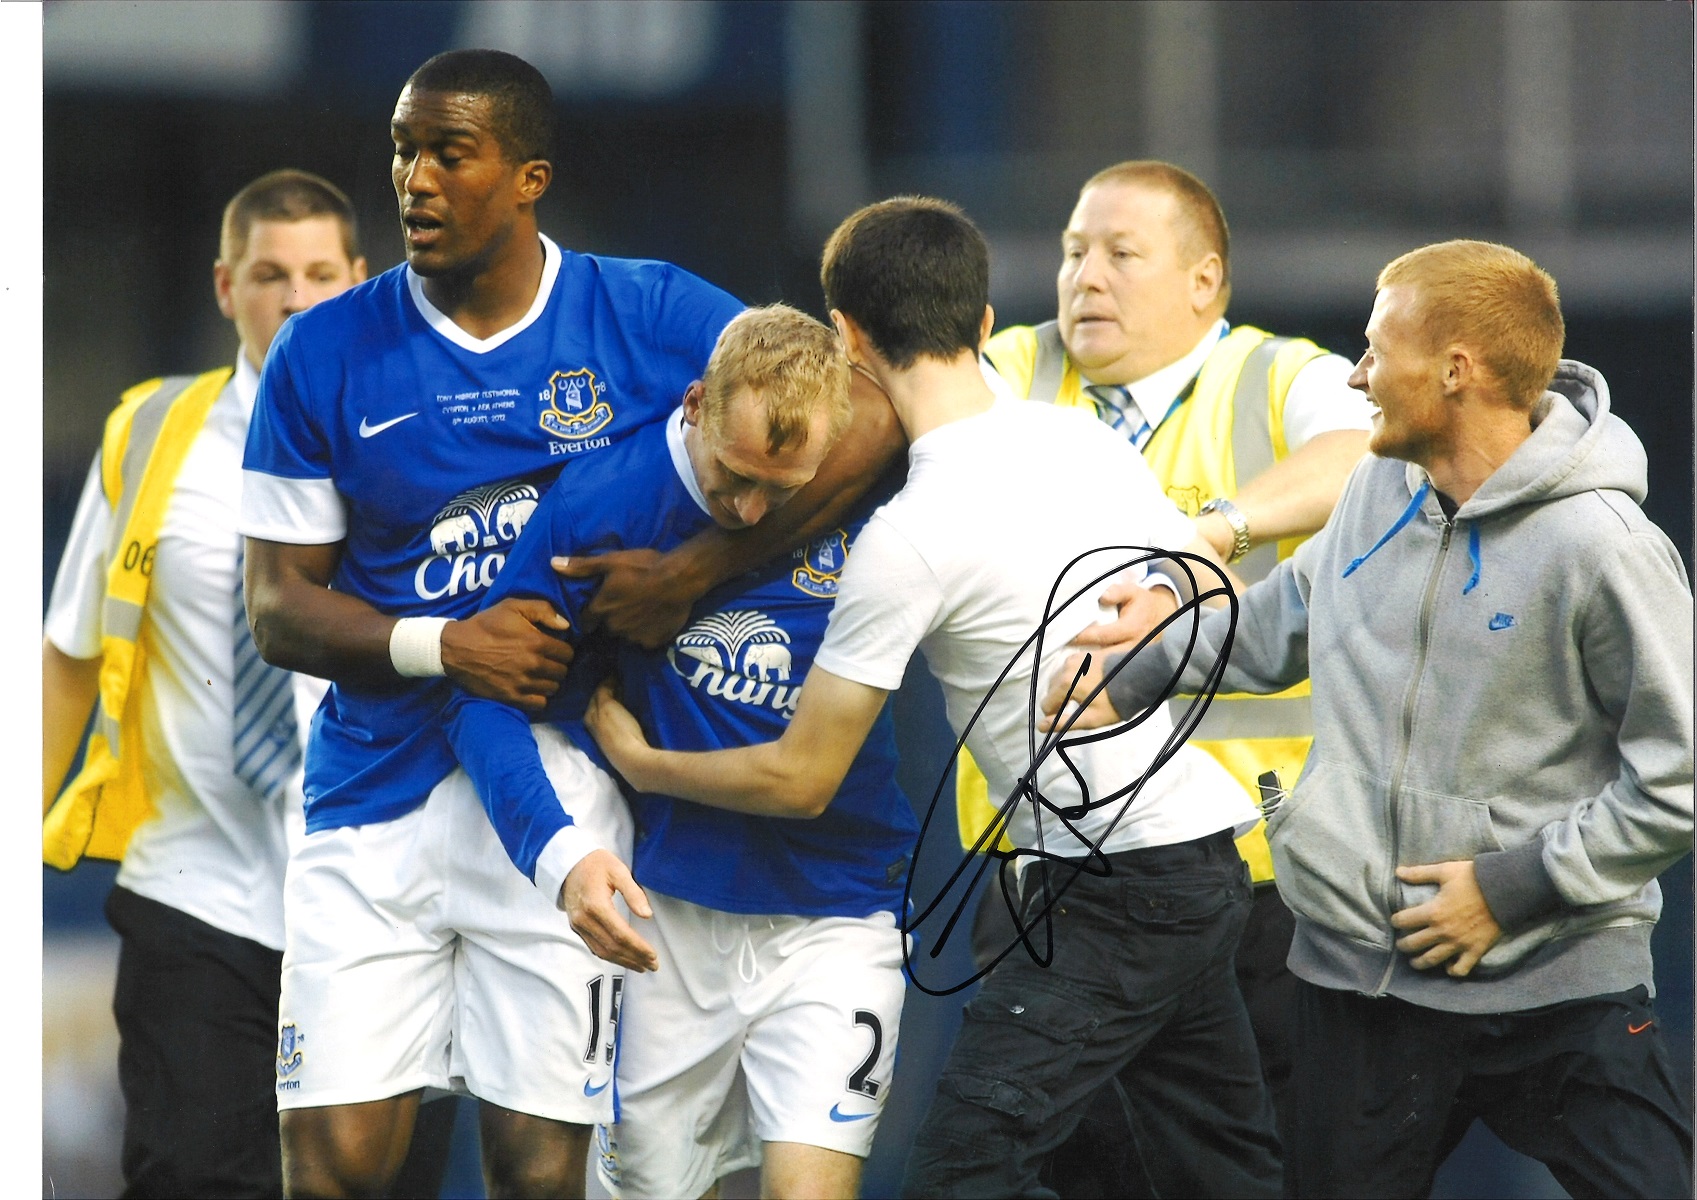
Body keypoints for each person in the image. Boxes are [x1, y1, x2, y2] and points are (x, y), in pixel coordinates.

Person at [237, 51, 898, 1198]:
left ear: (528, 175)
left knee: (540, 1176)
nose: (416, 180)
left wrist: (692, 573)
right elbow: (277, 607)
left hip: (561, 770)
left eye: (450, 153)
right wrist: (441, 645)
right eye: (403, 149)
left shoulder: (649, 313)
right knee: (335, 1169)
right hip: (371, 785)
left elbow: (863, 414)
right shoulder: (323, 350)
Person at [585, 196, 1282, 1199]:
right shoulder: (1081, 438)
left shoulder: (907, 535)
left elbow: (800, 778)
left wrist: (642, 762)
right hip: (1205, 864)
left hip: (1117, 889)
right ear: (988, 324)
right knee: (1220, 1172)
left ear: (845, 339)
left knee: (965, 1165)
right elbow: (1191, 598)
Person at [1046, 239, 1695, 1198]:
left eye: (1372, 349)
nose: (1355, 377)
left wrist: (1510, 888)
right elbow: (1271, 628)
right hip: (1360, 985)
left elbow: (1676, 783)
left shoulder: (1602, 546)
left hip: (1567, 987)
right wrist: (1126, 672)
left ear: (1455, 369)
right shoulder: (1372, 494)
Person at [442, 304, 917, 1200]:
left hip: (839, 909)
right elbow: (481, 698)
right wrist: (558, 852)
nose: (746, 511)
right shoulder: (596, 507)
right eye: (733, 475)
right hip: (666, 922)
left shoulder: (885, 491)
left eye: (782, 492)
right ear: (695, 403)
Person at [41, 170, 449, 1198]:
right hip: (195, 889)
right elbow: (68, 653)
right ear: (226, 286)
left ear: (363, 282)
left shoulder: (430, 442)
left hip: (383, 901)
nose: (296, 298)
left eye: (320, 274)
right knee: (187, 1175)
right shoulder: (147, 435)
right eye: (270, 274)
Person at [959, 162, 1373, 1170]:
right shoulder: (1006, 372)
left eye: (1119, 254)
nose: (1083, 278)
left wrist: (1215, 531)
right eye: (1069, 253)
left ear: (1203, 282)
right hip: (1045, 868)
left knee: (1258, 1162)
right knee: (1067, 1164)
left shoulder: (1279, 375)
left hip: (1256, 878)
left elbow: (1369, 444)